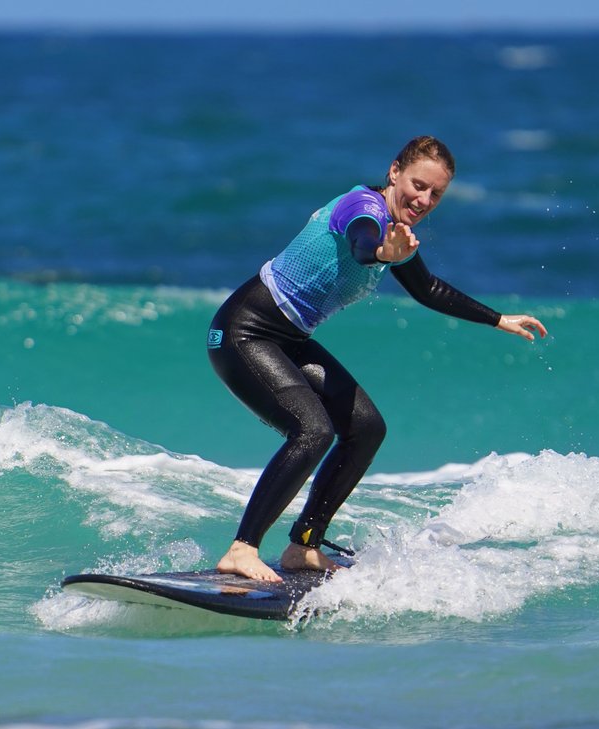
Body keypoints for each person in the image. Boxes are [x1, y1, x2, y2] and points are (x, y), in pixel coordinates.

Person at [206, 135, 550, 582]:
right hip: (243, 334)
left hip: (287, 337)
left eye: (436, 194)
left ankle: (303, 545)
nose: (424, 199)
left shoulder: (398, 233)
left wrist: (497, 318)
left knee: (366, 428)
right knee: (312, 431)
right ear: (394, 173)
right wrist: (384, 253)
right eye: (418, 185)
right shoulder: (363, 209)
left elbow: (428, 289)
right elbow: (362, 244)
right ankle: (241, 549)